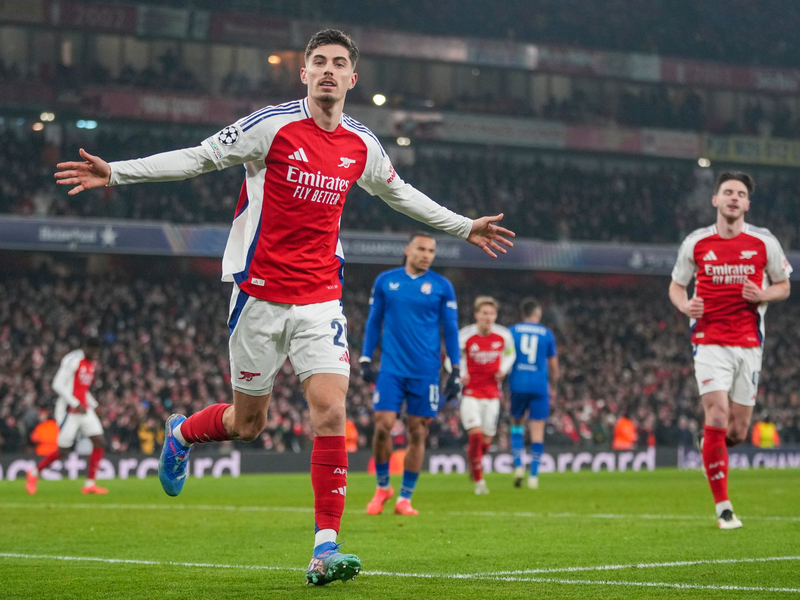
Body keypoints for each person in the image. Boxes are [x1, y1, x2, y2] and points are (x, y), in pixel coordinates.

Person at [54, 29, 514, 585]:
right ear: (303, 73)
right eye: (318, 61)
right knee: (249, 424)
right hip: (259, 297)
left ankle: (325, 548)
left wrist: (464, 226)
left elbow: (400, 191)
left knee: (332, 412)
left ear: (352, 78)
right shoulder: (270, 127)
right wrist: (118, 172)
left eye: (338, 63)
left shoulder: (362, 144)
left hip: (320, 298)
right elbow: (200, 158)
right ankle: (182, 435)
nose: (327, 71)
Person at [669, 171, 791, 530]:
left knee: (736, 432)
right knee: (717, 415)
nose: (734, 198)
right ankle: (724, 507)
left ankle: (709, 443)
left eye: (740, 193)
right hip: (709, 341)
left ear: (747, 204)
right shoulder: (696, 242)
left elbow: (783, 285)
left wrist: (763, 294)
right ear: (715, 200)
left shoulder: (764, 243)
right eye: (728, 192)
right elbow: (676, 287)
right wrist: (685, 306)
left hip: (749, 343)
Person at [360, 232, 462, 516]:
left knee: (418, 431)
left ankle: (405, 498)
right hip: (391, 368)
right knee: (383, 425)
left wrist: (456, 369)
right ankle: (383, 487)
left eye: (431, 250)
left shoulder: (442, 286)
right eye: (421, 249)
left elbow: (451, 330)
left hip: (426, 371)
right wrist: (366, 357)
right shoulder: (386, 281)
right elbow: (373, 321)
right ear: (408, 250)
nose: (427, 255)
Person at [26, 337, 107, 495]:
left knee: (99, 440)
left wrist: (95, 405)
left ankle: (90, 484)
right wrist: (75, 403)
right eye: (93, 351)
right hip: (69, 410)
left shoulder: (92, 363)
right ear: (86, 348)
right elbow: (57, 384)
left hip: (84, 409)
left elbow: (83, 389)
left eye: (97, 352)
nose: (95, 355)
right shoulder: (73, 360)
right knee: (63, 451)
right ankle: (34, 473)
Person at [458, 296, 515, 494]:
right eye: (484, 313)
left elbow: (511, 353)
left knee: (486, 441)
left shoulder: (504, 335)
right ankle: (479, 482)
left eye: (491, 313)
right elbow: (451, 358)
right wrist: (460, 373)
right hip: (470, 393)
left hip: (492, 395)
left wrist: (504, 369)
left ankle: (473, 464)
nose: (488, 317)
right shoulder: (465, 336)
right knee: (475, 436)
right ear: (476, 315)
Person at [508, 298, 558, 489]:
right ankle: (534, 476)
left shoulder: (512, 331)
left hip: (517, 384)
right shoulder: (547, 333)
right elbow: (553, 365)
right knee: (537, 431)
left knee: (516, 424)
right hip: (539, 386)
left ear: (522, 313)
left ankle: (519, 466)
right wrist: (553, 384)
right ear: (537, 314)